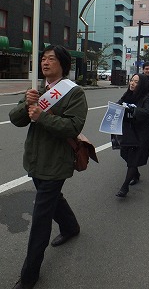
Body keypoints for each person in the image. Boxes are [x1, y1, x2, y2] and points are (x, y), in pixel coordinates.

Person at [9, 45, 88, 289]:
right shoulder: (37, 89)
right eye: (43, 59)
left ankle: (29, 275)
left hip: (56, 164)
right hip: (35, 160)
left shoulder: (74, 93)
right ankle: (71, 226)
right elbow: (15, 119)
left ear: (63, 64)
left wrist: (42, 116)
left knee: (41, 219)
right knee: (53, 199)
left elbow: (73, 127)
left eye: (51, 59)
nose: (45, 63)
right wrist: (26, 105)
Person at [115, 73, 149, 197]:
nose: (132, 83)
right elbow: (119, 103)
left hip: (141, 132)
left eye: (136, 82)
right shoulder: (128, 94)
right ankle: (136, 174)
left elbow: (148, 112)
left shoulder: (146, 97)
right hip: (128, 131)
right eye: (132, 80)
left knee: (133, 159)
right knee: (124, 154)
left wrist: (133, 110)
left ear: (141, 84)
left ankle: (124, 187)